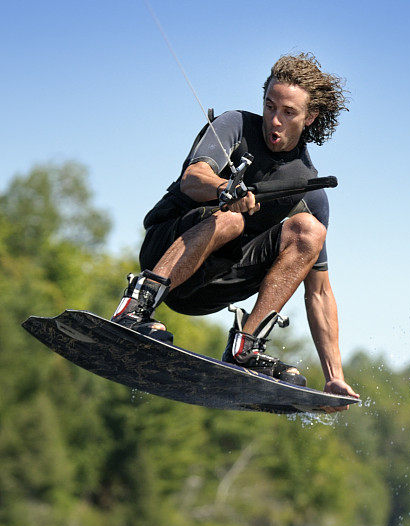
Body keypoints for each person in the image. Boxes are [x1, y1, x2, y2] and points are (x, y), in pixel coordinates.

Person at [111, 52, 358, 407]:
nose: (274, 120)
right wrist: (225, 191)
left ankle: (246, 347)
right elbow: (192, 177)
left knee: (310, 231)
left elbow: (318, 293)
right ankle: (135, 307)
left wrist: (334, 376)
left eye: (288, 113)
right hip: (168, 250)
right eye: (270, 106)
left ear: (309, 118)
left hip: (214, 287)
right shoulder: (236, 124)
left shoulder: (308, 189)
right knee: (231, 218)